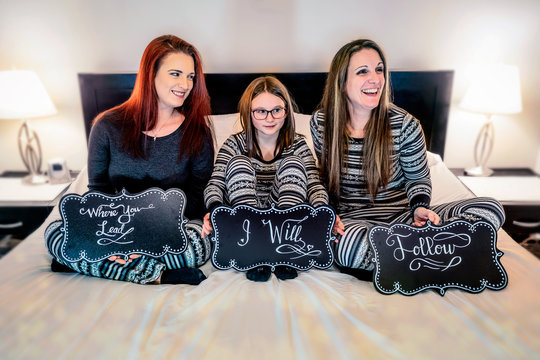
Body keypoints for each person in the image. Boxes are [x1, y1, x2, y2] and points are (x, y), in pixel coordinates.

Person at [311, 39, 505, 275]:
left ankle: (397, 258)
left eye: (379, 69)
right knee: (347, 244)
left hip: (405, 221)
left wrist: (419, 209)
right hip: (354, 222)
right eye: (363, 71)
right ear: (342, 82)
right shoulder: (321, 123)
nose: (375, 78)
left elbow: (418, 179)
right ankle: (436, 256)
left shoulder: (405, 124)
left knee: (491, 209)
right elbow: (323, 181)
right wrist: (328, 216)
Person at [45, 35, 215, 285]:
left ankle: (93, 263)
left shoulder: (197, 131)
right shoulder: (107, 126)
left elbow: (198, 192)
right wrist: (118, 239)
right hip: (115, 227)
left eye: (191, 76)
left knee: (201, 242)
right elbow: (98, 191)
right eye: (176, 74)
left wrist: (149, 238)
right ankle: (157, 275)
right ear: (151, 75)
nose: (186, 84)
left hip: (171, 227)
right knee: (54, 232)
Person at [202, 76, 332, 282]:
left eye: (277, 110)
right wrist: (215, 210)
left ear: (286, 111)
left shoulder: (298, 144)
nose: (270, 118)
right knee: (238, 162)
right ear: (249, 113)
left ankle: (282, 252)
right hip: (246, 222)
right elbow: (215, 184)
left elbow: (314, 185)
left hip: (285, 222)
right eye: (261, 111)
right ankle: (256, 250)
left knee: (293, 163)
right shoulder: (234, 143)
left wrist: (323, 213)